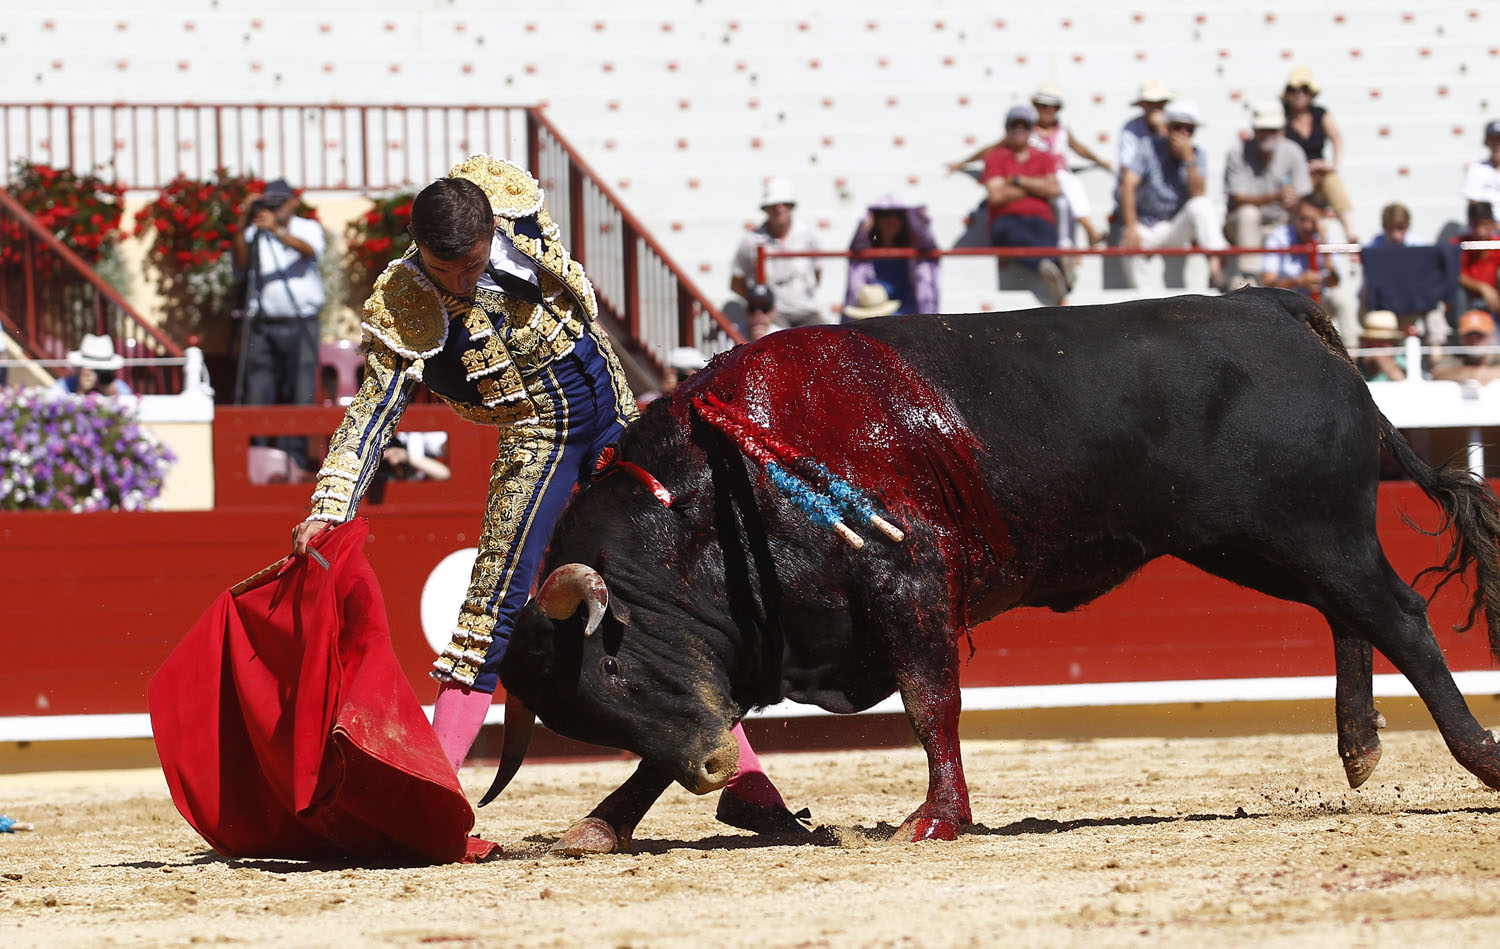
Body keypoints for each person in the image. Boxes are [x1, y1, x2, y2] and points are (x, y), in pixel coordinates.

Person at [289, 157, 805, 835]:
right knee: (491, 609)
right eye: (445, 271)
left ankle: (747, 783)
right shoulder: (406, 300)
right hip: (540, 437)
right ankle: (430, 797)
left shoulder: (511, 203)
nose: (460, 283)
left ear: (490, 231)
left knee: (672, 599)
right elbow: (372, 412)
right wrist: (331, 506)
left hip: (615, 411)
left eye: (471, 266)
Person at [231, 178, 326, 408]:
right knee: (258, 390)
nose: (277, 207)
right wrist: (244, 218)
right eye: (271, 202)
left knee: (302, 390)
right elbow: (240, 263)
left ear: (293, 202)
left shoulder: (307, 227)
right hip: (264, 324)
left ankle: (299, 433)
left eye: (281, 201)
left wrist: (276, 230)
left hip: (302, 321)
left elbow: (309, 251)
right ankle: (259, 433)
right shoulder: (256, 232)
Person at [1117, 99, 1228, 291]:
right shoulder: (1147, 147)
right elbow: (1127, 185)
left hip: (1177, 225)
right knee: (1129, 242)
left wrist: (1188, 159)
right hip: (1148, 225)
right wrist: (1131, 227)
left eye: (1189, 129)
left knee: (1202, 205)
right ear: (1167, 128)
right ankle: (1144, 298)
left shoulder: (1197, 155)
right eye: (1178, 128)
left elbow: (1198, 193)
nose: (1183, 134)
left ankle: (1215, 272)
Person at [982, 103, 1067, 305]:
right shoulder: (995, 157)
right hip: (1008, 219)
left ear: (1031, 129)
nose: (1019, 130)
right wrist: (1035, 188)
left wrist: (1017, 180)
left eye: (1024, 126)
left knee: (1043, 236)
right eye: (1014, 125)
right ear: (1007, 128)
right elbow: (996, 196)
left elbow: (1053, 189)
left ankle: (1051, 268)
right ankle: (1055, 268)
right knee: (1014, 235)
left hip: (1040, 220)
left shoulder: (1043, 157)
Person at [1226, 101, 1312, 281]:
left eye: (1272, 130)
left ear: (1282, 131)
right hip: (1241, 226)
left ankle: (1309, 274)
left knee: (1307, 218)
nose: (1267, 135)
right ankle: (1249, 278)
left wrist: (1293, 201)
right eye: (1263, 129)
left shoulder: (1293, 152)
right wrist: (1276, 196)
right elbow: (1237, 198)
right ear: (1255, 130)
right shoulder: (1237, 152)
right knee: (1248, 214)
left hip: (1282, 222)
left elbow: (1305, 195)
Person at [729, 177, 823, 327]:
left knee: (830, 337)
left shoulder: (808, 235)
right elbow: (736, 282)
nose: (779, 209)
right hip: (774, 314)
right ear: (765, 208)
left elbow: (817, 272)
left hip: (807, 309)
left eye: (784, 204)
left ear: (791, 206)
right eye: (774, 205)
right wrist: (759, 306)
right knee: (779, 338)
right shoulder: (751, 240)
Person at [1282, 66, 1357, 243]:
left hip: (1319, 174)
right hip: (1294, 177)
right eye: (1294, 90)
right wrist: (1304, 169)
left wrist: (1332, 165)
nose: (1299, 94)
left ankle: (1350, 234)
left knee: (1331, 180)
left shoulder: (1320, 114)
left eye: (1304, 90)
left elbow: (1337, 139)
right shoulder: (1282, 117)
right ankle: (1308, 233)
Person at [1260, 193, 1352, 337]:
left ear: (1321, 221)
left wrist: (1324, 249)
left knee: (1342, 300)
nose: (1307, 226)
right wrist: (1298, 281)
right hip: (1286, 306)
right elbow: (1267, 283)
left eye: (1313, 221)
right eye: (1303, 219)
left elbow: (1333, 283)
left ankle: (1352, 348)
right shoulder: (1278, 238)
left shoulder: (1326, 240)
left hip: (1318, 305)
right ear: (1295, 216)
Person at [844, 193, 940, 316]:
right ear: (876, 219)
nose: (893, 220)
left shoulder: (914, 251)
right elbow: (857, 245)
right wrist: (864, 227)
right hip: (871, 314)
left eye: (898, 215)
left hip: (906, 315)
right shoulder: (864, 253)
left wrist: (920, 223)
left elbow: (928, 246)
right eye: (886, 215)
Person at [51, 333, 134, 397]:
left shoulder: (119, 387)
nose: (97, 375)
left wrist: (113, 395)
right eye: (94, 370)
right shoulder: (64, 385)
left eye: (102, 370)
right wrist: (81, 391)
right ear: (81, 368)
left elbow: (128, 408)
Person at [1432, 309, 1500, 383]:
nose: (1474, 340)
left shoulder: (1497, 354)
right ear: (1460, 338)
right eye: (1469, 335)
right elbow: (1437, 372)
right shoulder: (1456, 355)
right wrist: (1472, 373)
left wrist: (1489, 373)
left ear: (1492, 336)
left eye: (1480, 335)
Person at [1459, 201, 1500, 314]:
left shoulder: (1496, 244)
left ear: (1493, 224)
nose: (1480, 230)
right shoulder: (1460, 244)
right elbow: (1453, 274)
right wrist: (1482, 287)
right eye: (1475, 225)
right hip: (1466, 302)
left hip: (1493, 301)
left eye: (1485, 224)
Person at [1355, 310, 1408, 382]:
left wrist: (1386, 364)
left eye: (1383, 343)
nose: (1376, 347)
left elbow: (1403, 383)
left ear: (1393, 344)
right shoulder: (1356, 362)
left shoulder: (1402, 362)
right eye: (1372, 341)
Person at [1463, 119, 1500, 214]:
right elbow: (1474, 205)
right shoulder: (1476, 169)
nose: (1498, 145)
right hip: (1487, 222)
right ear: (1486, 142)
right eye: (1494, 140)